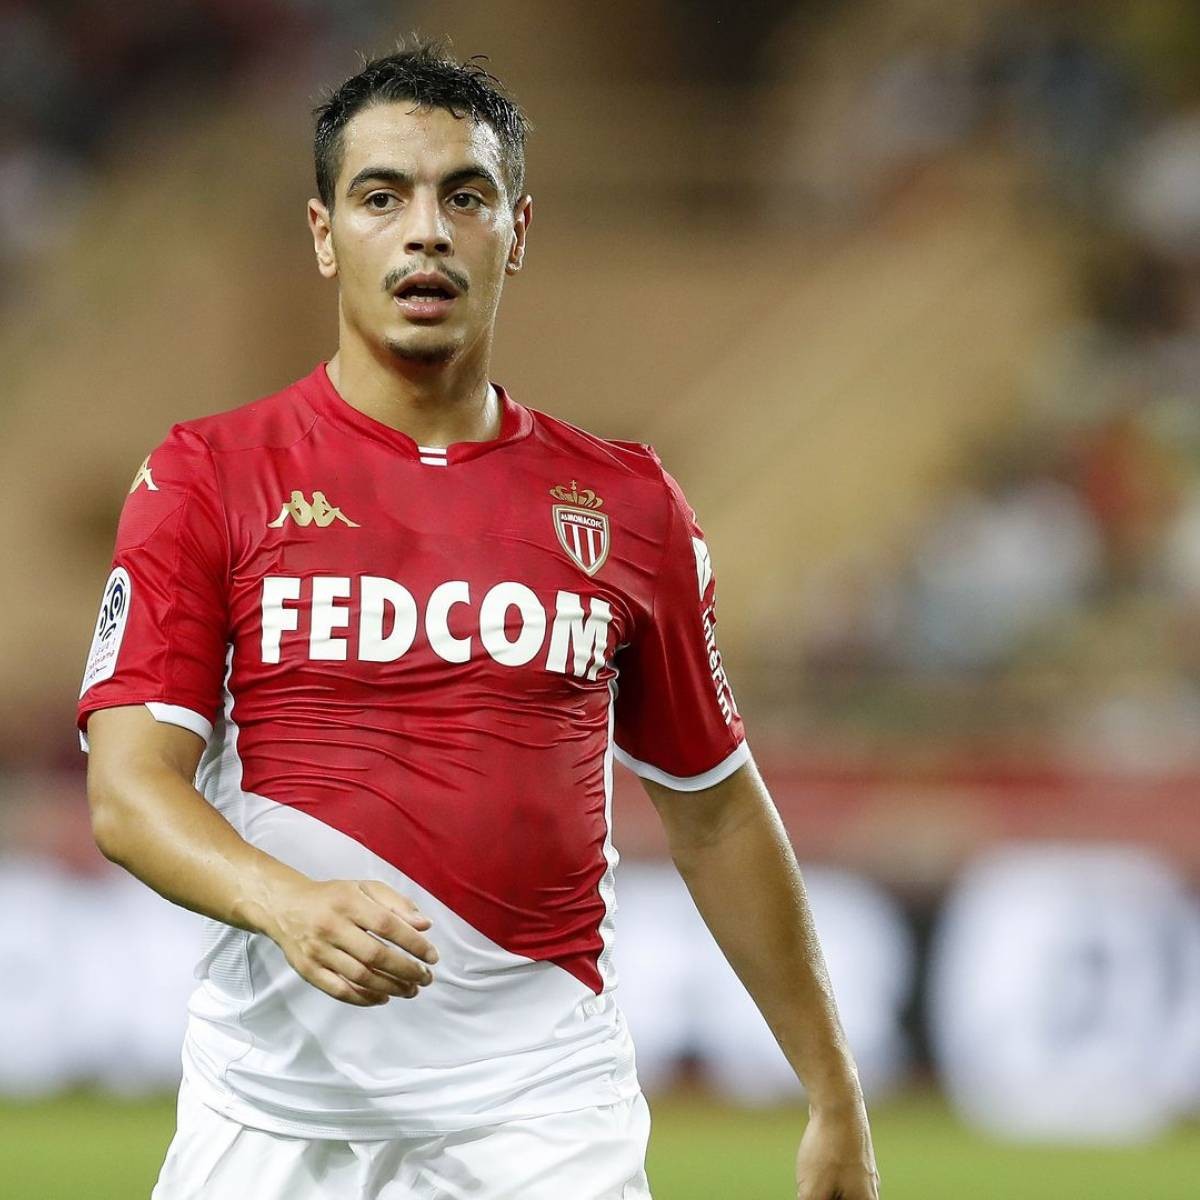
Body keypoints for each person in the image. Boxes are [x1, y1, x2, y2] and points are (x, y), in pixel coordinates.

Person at [79, 39, 880, 1200]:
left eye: (465, 196)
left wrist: (833, 1092)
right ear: (323, 235)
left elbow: (713, 811)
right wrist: (284, 903)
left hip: (545, 1123)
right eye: (381, 198)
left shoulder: (626, 504)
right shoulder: (208, 478)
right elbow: (127, 792)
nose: (427, 232)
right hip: (273, 1116)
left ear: (518, 230)